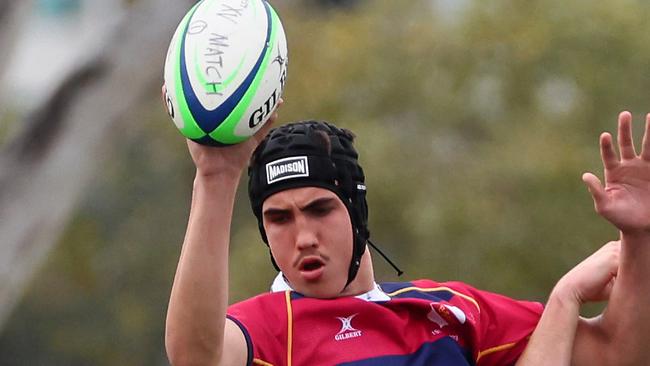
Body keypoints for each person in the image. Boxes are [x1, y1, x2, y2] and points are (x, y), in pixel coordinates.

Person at [164, 104, 650, 366]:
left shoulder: (448, 310)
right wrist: (216, 177)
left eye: (319, 209)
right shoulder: (264, 332)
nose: (304, 237)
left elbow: (619, 353)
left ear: (356, 211)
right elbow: (194, 357)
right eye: (280, 219)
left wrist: (639, 238)